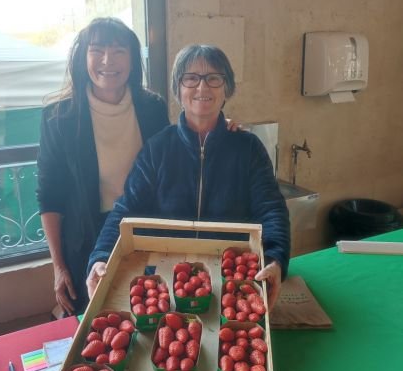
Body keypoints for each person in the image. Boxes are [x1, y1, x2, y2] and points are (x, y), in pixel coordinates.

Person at [86, 44, 290, 310]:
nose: (202, 88)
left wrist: (275, 259)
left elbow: (271, 209)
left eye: (214, 78)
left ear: (226, 88)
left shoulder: (248, 148)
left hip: (233, 280)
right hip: (168, 281)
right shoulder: (157, 149)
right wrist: (101, 257)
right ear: (177, 89)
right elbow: (125, 210)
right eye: (190, 78)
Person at [36, 17, 169, 315]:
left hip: (144, 230)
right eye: (97, 50)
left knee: (150, 314)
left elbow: (174, 157)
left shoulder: (153, 108)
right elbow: (49, 195)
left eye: (119, 50)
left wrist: (217, 130)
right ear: (83, 58)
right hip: (85, 238)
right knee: (98, 325)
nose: (108, 60)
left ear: (133, 60)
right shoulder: (59, 118)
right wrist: (59, 267)